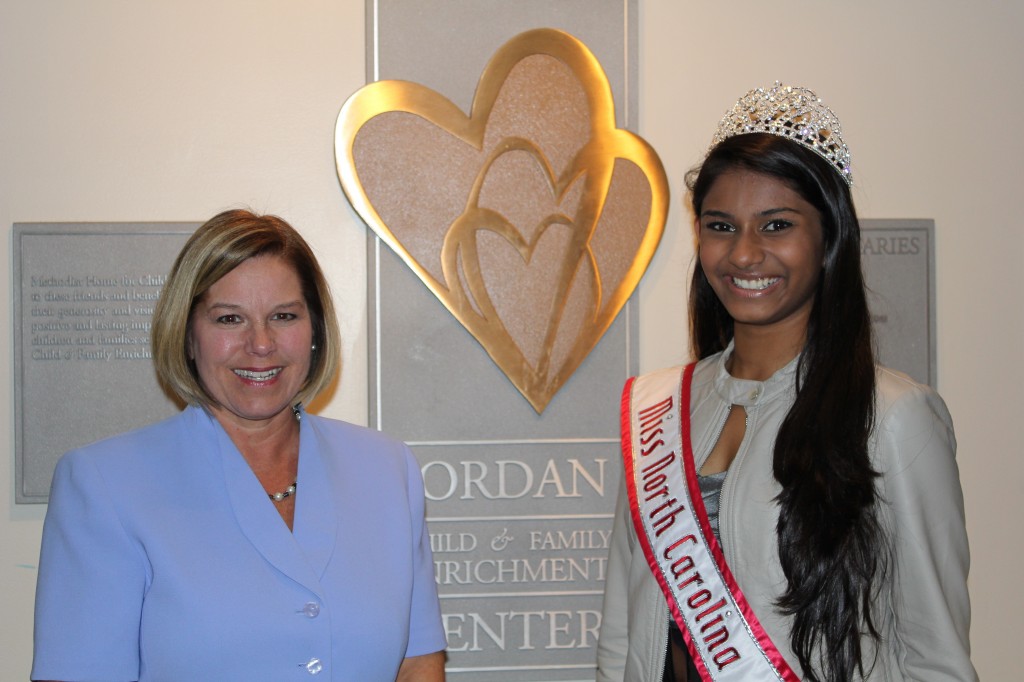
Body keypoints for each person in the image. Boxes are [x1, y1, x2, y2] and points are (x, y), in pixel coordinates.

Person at [596, 83, 975, 681]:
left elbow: (935, 654)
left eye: (775, 226)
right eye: (721, 226)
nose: (744, 255)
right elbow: (623, 633)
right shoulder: (659, 408)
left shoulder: (893, 416)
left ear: (829, 237)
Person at [32, 210, 447, 681]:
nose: (261, 344)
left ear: (315, 332)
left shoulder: (387, 470)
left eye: (284, 316)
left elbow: (417, 663)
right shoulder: (105, 485)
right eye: (230, 319)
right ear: (189, 335)